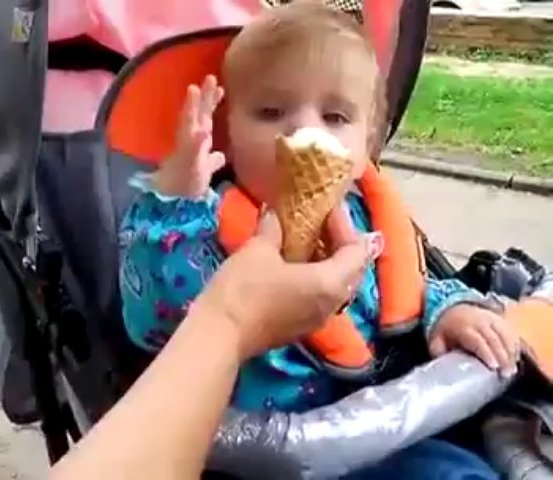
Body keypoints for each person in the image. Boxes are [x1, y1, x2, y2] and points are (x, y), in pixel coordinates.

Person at [118, 2, 518, 477]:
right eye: (270, 111)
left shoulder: (368, 215)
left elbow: (412, 286)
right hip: (266, 457)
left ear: (369, 140)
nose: (304, 130)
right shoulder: (204, 229)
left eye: (334, 116)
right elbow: (151, 317)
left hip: (381, 431)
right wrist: (175, 201)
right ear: (227, 132)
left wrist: (449, 310)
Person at [51, 210, 373, 479]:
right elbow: (146, 322)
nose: (301, 132)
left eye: (338, 127)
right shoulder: (199, 233)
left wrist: (427, 323)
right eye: (268, 127)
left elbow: (412, 295)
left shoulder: (362, 219)